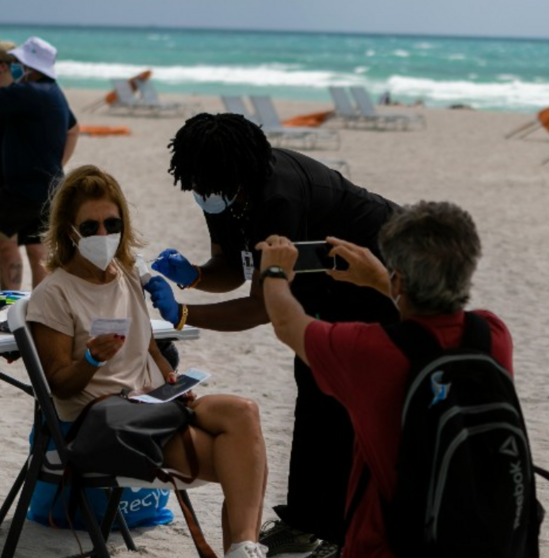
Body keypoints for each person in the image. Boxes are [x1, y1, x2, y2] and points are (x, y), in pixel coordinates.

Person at [144, 112, 399, 557]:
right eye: (197, 187)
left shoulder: (277, 198)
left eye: (209, 188)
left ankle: (345, 534)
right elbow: (232, 269)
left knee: (347, 401)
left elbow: (262, 306)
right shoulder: (220, 189)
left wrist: (184, 314)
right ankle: (303, 523)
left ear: (239, 175)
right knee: (312, 390)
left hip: (374, 270)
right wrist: (195, 276)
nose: (203, 196)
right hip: (321, 280)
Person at [26, 164, 268, 558]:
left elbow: (149, 345)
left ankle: (242, 548)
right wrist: (90, 358)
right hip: (103, 422)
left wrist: (169, 376)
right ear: (69, 231)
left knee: (244, 413)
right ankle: (242, 549)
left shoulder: (125, 272)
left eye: (112, 223)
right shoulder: (54, 294)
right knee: (245, 461)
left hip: (151, 404)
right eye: (91, 228)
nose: (103, 235)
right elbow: (58, 386)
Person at [255, 200, 513, 557]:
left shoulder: (371, 351)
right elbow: (441, 321)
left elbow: (288, 324)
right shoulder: (492, 334)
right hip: (483, 536)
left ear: (399, 276)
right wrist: (381, 279)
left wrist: (274, 273)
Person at [0, 36, 79, 289]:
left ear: (30, 67)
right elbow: (73, 128)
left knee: (7, 244)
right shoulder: (53, 92)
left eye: (20, 63)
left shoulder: (29, 93)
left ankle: (7, 307)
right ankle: (38, 313)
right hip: (47, 186)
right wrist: (56, 166)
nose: (18, 67)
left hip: (25, 190)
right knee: (37, 251)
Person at [0, 40, 23, 290]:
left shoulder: (23, 96)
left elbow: (70, 129)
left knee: (8, 246)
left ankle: (10, 303)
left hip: (13, 186)